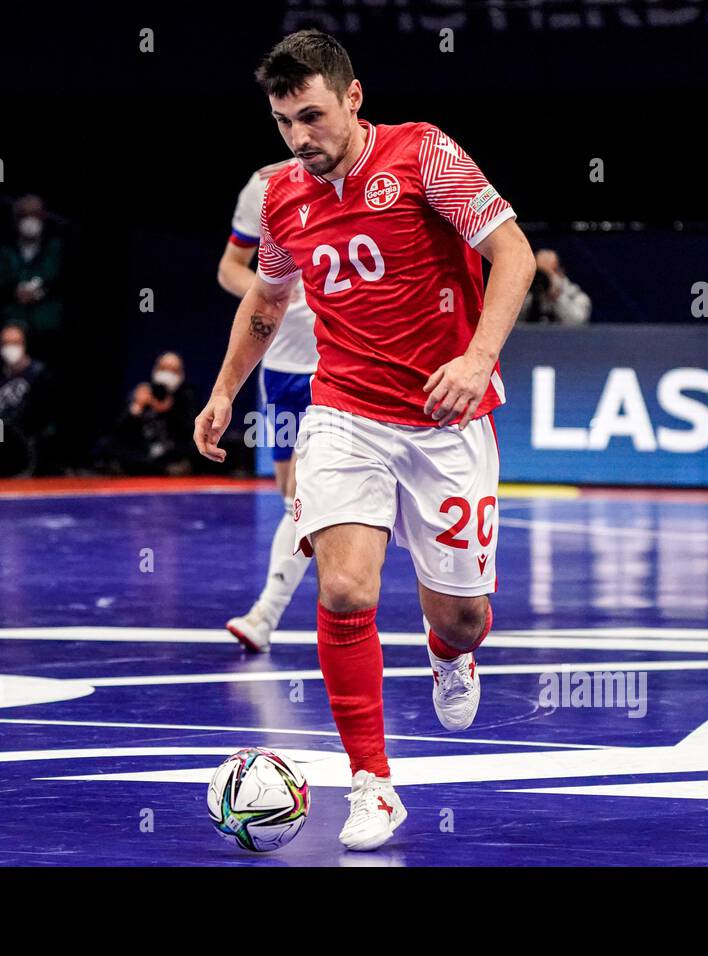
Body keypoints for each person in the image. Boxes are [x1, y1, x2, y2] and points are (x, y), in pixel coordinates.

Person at [193, 30, 535, 851]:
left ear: (352, 98)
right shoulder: (282, 197)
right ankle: (372, 784)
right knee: (345, 590)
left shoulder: (424, 155)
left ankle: (450, 653)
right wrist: (222, 391)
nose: (299, 137)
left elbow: (512, 255)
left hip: (448, 418)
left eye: (311, 115)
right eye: (283, 122)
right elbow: (268, 304)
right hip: (343, 412)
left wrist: (477, 355)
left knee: (460, 615)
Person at [217, 159, 320, 652]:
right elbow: (230, 269)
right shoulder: (262, 187)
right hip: (280, 368)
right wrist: (273, 290)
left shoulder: (364, 180)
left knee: (306, 490)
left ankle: (265, 615)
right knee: (292, 502)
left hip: (337, 365)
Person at [0, 323, 57, 477]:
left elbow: (38, 414)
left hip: (29, 436)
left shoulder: (39, 375)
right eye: (5, 343)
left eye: (15, 343)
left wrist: (3, 420)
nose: (10, 348)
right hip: (0, 437)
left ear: (25, 345)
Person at [96, 352, 198, 476]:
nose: (167, 374)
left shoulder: (186, 395)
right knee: (106, 446)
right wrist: (137, 407)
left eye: (173, 370)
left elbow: (190, 433)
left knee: (199, 449)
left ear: (181, 374)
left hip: (172, 451)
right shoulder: (142, 392)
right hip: (143, 451)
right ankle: (161, 469)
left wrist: (170, 410)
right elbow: (119, 431)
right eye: (164, 368)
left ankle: (153, 468)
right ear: (155, 370)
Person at [0, 194, 64, 364]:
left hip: (47, 328)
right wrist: (15, 292)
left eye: (35, 215)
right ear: (17, 220)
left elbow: (64, 282)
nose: (30, 220)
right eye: (25, 215)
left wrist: (41, 292)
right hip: (13, 327)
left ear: (43, 217)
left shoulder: (55, 249)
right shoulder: (5, 251)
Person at [518, 248, 591, 325]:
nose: (543, 279)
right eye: (540, 273)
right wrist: (530, 296)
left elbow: (578, 322)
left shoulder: (575, 295)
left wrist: (557, 297)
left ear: (561, 271)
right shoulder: (525, 294)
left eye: (549, 272)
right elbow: (512, 321)